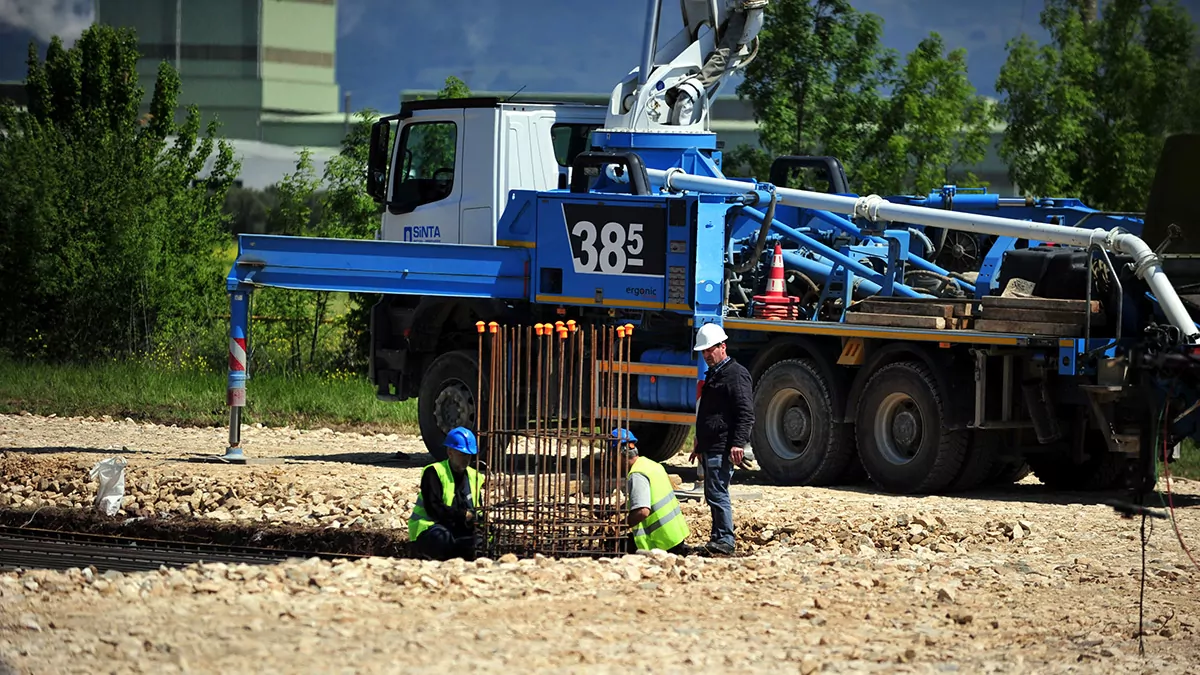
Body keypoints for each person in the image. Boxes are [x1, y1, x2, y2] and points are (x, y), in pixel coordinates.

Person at [689, 323, 754, 556]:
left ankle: (725, 540)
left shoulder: (735, 375)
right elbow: (710, 413)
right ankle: (718, 538)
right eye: (704, 352)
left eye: (710, 350)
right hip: (711, 445)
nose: (707, 355)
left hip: (722, 445)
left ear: (722, 347)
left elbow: (745, 412)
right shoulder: (717, 374)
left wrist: (738, 443)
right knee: (713, 493)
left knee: (717, 493)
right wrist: (699, 443)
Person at [670, 0, 769, 125]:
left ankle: (689, 91)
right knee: (724, 52)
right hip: (736, 19)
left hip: (738, 17)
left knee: (724, 51)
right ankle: (689, 90)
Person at [407, 426, 484, 561]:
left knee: (481, 542)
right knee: (442, 538)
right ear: (450, 452)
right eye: (462, 455)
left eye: (469, 455)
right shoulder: (434, 472)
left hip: (459, 529)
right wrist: (463, 515)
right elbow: (434, 508)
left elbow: (479, 510)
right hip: (430, 528)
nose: (466, 459)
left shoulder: (474, 477)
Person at [611, 428, 692, 555]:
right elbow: (651, 498)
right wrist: (619, 508)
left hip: (660, 543)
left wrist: (619, 526)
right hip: (675, 536)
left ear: (618, 453)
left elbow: (642, 511)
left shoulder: (637, 474)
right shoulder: (651, 465)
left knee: (614, 546)